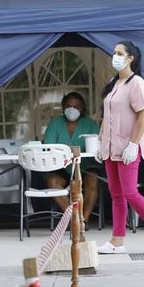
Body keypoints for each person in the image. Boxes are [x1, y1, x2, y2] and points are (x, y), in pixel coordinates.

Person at [94, 41, 144, 254]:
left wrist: (133, 144)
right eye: (114, 53)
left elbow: (143, 114)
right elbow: (106, 115)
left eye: (120, 53)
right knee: (116, 194)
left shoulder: (136, 83)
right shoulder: (113, 83)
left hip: (128, 147)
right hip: (111, 148)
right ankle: (117, 241)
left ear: (131, 58)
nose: (115, 57)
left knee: (130, 192)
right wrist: (100, 141)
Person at [42, 91, 100, 223]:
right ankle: (75, 218)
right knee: (52, 181)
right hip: (62, 167)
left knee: (93, 181)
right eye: (69, 106)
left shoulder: (91, 125)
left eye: (76, 106)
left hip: (85, 167)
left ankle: (84, 219)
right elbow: (49, 147)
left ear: (82, 108)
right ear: (63, 107)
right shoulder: (55, 124)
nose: (72, 110)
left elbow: (96, 146)